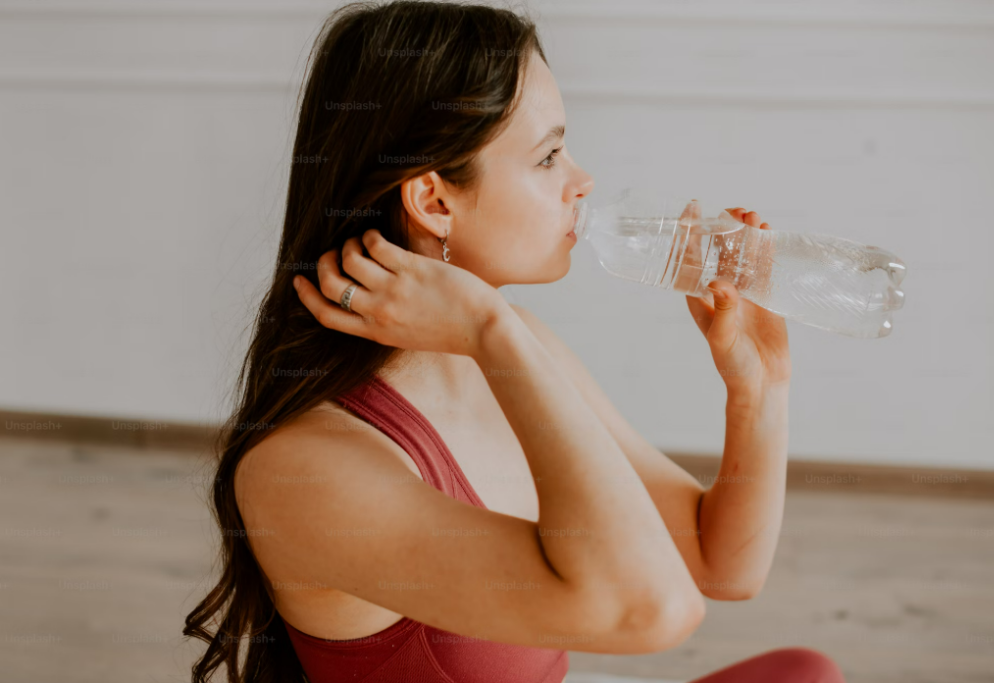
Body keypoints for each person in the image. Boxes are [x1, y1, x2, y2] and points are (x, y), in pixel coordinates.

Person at [184, 2, 842, 682]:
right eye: (549, 155)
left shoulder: (517, 349)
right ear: (434, 201)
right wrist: (492, 330)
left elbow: (721, 562)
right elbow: (655, 611)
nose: (581, 182)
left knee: (805, 672)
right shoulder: (305, 466)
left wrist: (758, 389)